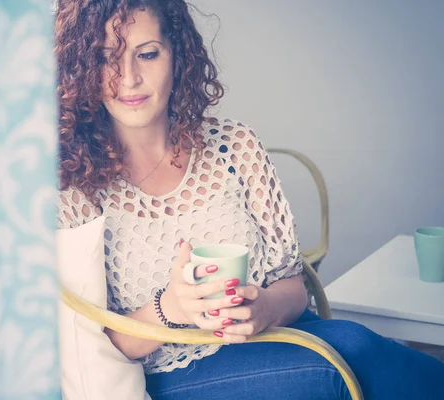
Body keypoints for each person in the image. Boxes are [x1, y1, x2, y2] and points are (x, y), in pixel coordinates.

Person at [55, 0, 444, 398]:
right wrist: (170, 309)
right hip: (178, 370)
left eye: (148, 54)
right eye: (106, 59)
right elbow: (89, 348)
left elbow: (292, 283)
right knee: (337, 366)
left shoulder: (234, 146)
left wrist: (263, 309)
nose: (129, 78)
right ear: (82, 69)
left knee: (358, 344)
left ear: (177, 55)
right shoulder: (73, 189)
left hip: (278, 335)